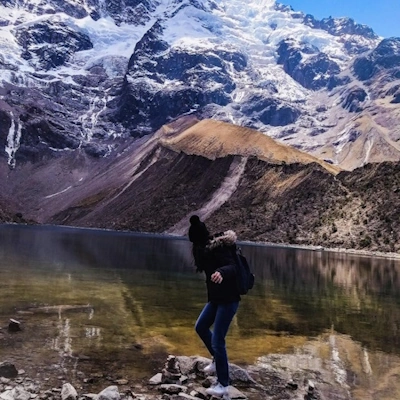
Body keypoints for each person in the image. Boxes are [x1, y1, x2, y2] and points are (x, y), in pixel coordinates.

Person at [194, 229, 240, 398]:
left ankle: (223, 385)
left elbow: (233, 267)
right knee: (201, 326)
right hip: (216, 299)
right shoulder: (203, 252)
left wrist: (221, 272)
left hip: (229, 299)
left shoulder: (219, 249)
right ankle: (216, 360)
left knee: (217, 340)